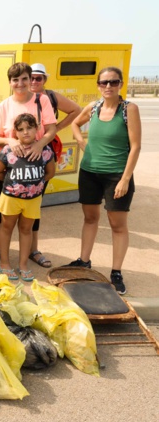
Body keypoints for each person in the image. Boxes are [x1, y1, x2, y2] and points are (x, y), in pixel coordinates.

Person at [69, 67, 141, 295]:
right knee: (90, 218)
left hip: (116, 175)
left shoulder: (129, 109)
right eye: (103, 83)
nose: (108, 86)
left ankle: (116, 272)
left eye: (113, 82)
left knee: (117, 225)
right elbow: (74, 124)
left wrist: (125, 179)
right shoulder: (93, 107)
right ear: (98, 85)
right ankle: (84, 261)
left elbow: (136, 146)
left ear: (120, 84)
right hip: (89, 172)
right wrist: (81, 142)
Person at [0, 62, 57, 267]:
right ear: (10, 82)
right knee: (3, 209)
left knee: (33, 208)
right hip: (7, 167)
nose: (21, 83)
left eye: (25, 78)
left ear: (30, 79)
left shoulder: (41, 100)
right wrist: (11, 141)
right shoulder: (3, 106)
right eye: (15, 80)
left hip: (36, 167)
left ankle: (33, 250)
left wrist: (39, 145)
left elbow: (51, 129)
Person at [24, 63, 81, 268]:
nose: (33, 82)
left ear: (45, 80)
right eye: (31, 77)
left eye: (38, 78)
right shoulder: (21, 96)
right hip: (19, 156)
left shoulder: (51, 97)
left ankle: (33, 249)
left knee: (35, 202)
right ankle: (3, 248)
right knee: (10, 204)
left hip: (42, 154)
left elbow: (76, 110)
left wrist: (57, 128)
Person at [0, 113, 55, 281]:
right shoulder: (8, 150)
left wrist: (35, 185)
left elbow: (50, 172)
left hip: (33, 200)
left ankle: (23, 264)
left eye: (29, 128)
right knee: (6, 228)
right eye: (21, 129)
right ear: (15, 133)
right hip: (10, 199)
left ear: (37, 129)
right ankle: (5, 263)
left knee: (26, 230)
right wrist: (14, 185)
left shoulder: (46, 150)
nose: (25, 132)